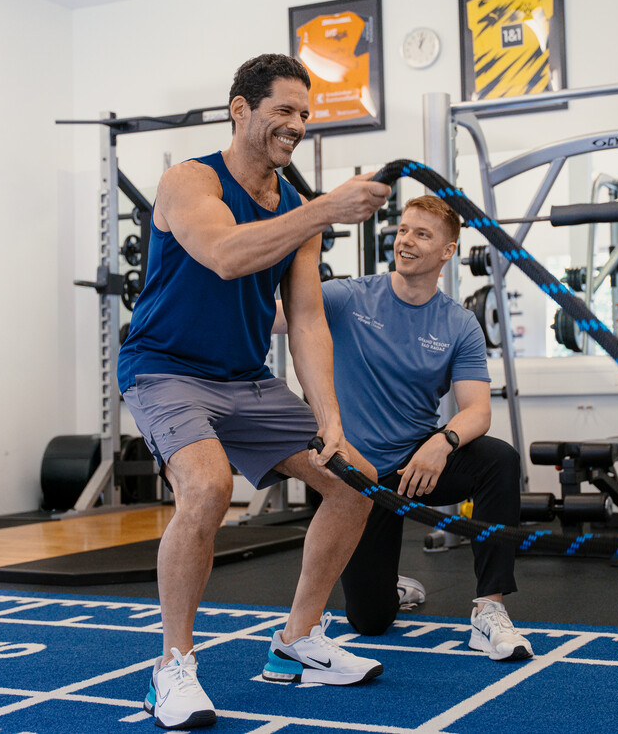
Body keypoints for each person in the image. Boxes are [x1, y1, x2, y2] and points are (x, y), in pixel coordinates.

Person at [117, 53, 391, 730]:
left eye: (305, 115)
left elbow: (304, 318)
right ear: (240, 109)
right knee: (208, 486)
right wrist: (325, 208)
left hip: (243, 379)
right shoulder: (188, 181)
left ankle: (298, 644)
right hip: (165, 369)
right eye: (284, 111)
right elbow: (226, 254)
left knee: (354, 480)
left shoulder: (296, 210)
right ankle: (172, 667)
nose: (297, 125)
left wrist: (330, 418)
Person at [276, 195, 534, 662]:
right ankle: (388, 587)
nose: (406, 241)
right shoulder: (348, 296)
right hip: (357, 476)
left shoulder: (459, 324)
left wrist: (443, 440)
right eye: (402, 230)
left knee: (499, 460)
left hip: (419, 464)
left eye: (422, 234)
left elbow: (476, 410)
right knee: (370, 621)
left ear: (447, 251)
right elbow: (275, 316)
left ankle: (489, 608)